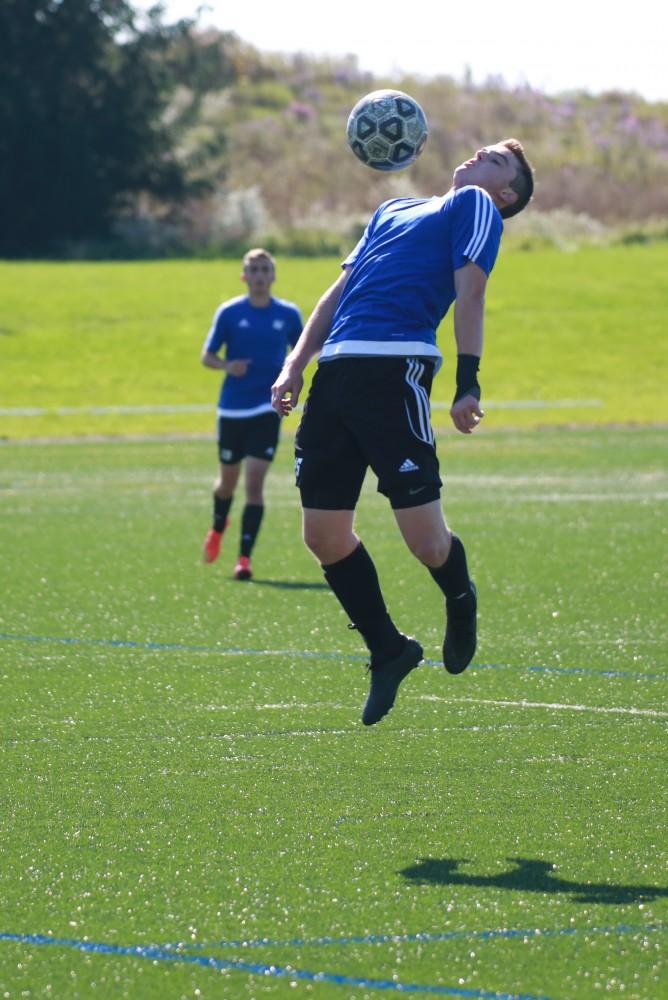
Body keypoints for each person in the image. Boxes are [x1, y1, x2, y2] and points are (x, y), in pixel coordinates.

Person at [271, 139, 534, 724]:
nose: (478, 154)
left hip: (395, 372)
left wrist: (469, 383)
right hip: (335, 374)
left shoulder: (476, 207)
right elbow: (336, 294)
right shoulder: (391, 211)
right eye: (483, 150)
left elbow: (472, 294)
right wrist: (295, 365)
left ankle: (460, 600)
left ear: (507, 191)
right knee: (322, 536)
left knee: (427, 544)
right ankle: (389, 649)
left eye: (496, 159)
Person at [201, 248, 303, 579]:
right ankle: (218, 526)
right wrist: (228, 365)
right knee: (226, 484)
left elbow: (301, 351)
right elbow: (208, 356)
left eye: (264, 270)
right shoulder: (230, 313)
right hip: (232, 410)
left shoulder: (288, 314)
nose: (259, 276)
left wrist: (292, 377)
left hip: (266, 408)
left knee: (254, 484)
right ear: (244, 276)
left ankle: (243, 559)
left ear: (273, 276)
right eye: (253, 270)